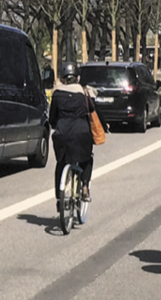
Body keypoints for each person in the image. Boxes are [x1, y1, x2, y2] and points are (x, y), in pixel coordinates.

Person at [47, 63, 96, 215]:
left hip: (62, 134)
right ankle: (85, 187)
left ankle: (59, 199)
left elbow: (52, 118)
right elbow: (92, 111)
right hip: (81, 133)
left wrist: (57, 124)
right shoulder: (84, 92)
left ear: (62, 78)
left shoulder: (56, 94)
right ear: (77, 77)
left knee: (61, 163)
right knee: (87, 159)